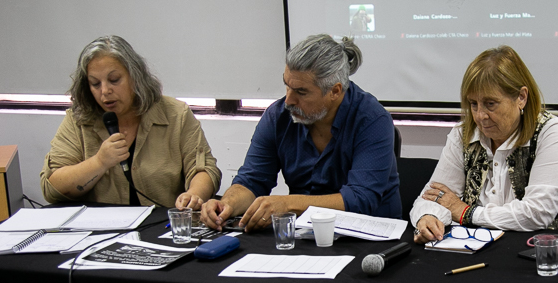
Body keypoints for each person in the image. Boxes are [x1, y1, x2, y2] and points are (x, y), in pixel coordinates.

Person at [201, 34, 399, 231]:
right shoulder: (278, 117)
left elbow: (360, 199)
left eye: (301, 92)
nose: (288, 100)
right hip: (304, 234)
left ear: (335, 91)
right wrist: (226, 205)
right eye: (287, 86)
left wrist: (287, 204)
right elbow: (252, 180)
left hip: (369, 236)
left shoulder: (372, 120)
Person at [410, 46, 558, 243]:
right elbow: (432, 196)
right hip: (472, 247)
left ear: (521, 97)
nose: (480, 116)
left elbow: (537, 213)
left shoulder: (552, 132)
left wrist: (466, 213)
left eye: (490, 104)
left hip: (537, 250)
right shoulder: (463, 134)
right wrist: (428, 217)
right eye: (473, 104)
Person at [41, 35, 221, 208]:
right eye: (95, 83)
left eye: (114, 80)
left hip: (163, 223)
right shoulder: (78, 119)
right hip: (101, 226)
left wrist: (194, 195)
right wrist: (99, 162)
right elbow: (52, 188)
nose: (105, 91)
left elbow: (204, 169)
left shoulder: (176, 114)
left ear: (135, 77)